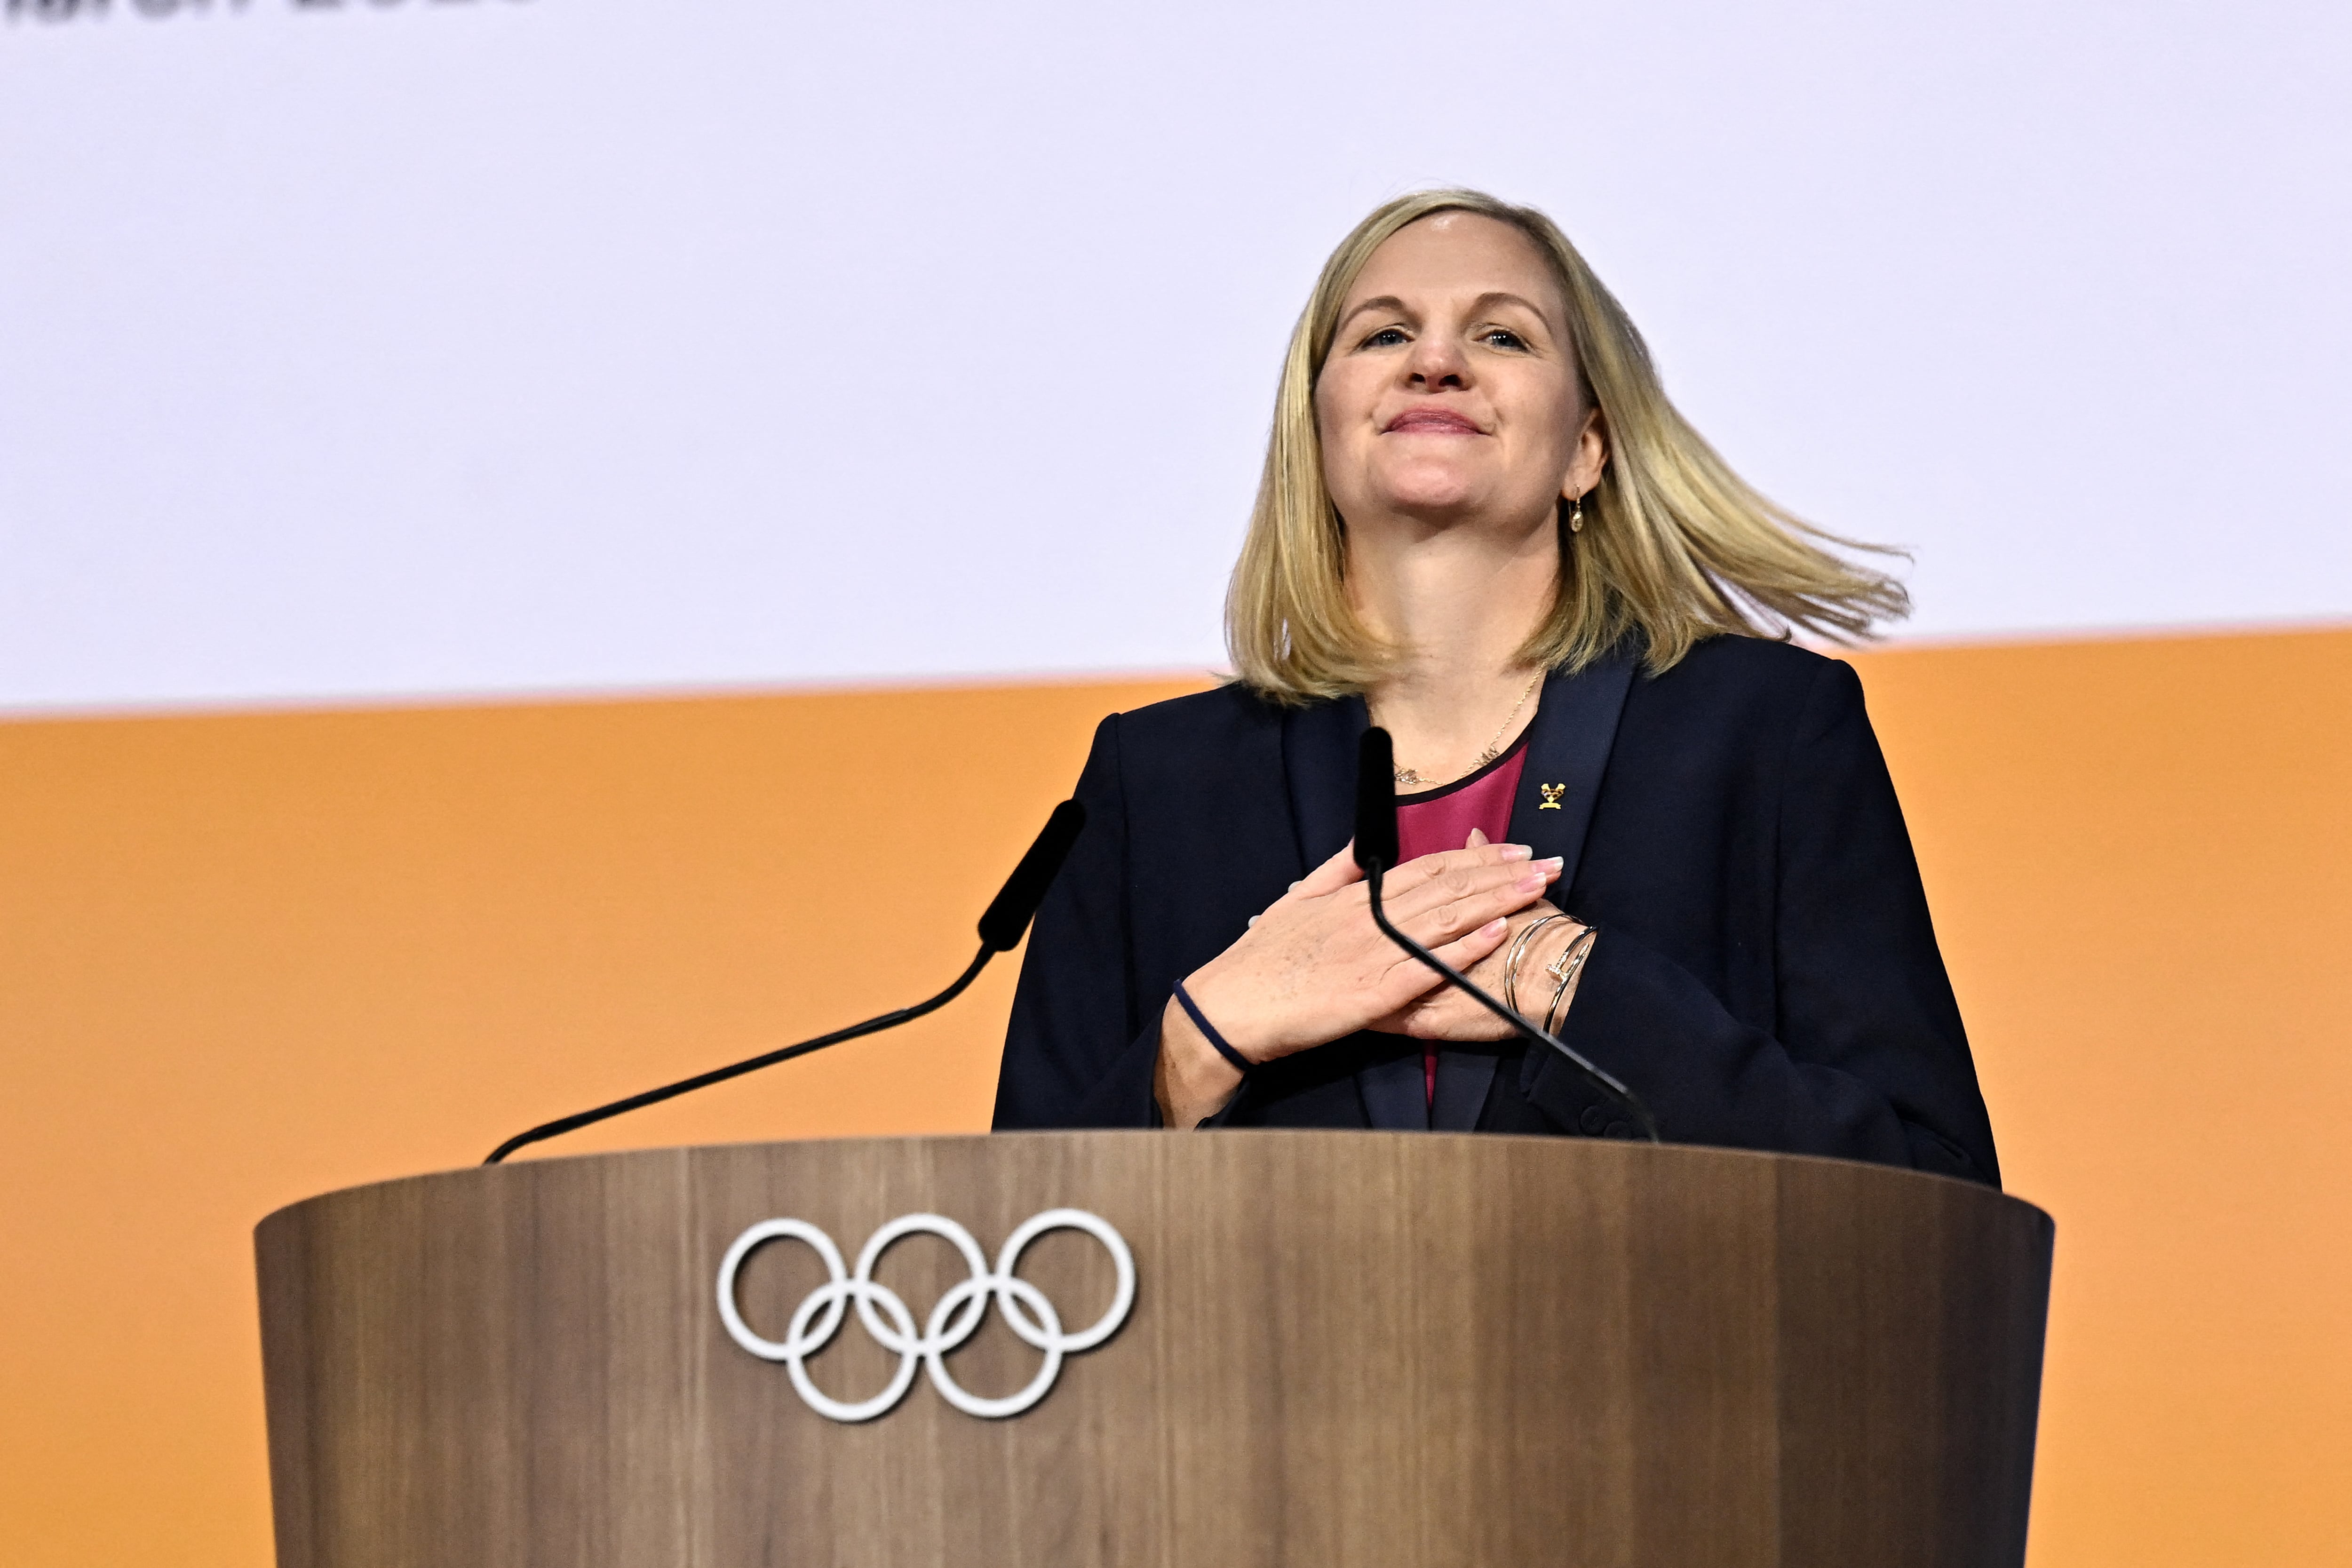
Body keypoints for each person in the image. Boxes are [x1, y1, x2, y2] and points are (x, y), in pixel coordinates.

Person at [990, 189, 1998, 1186]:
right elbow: (1008, 1244)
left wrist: (1581, 991)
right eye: (1384, 334)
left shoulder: (1765, 732)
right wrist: (1201, 1039)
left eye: (1503, 336)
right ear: (1318, 431)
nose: (1435, 361)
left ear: (1586, 449)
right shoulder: (1156, 780)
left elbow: (1936, 1189)